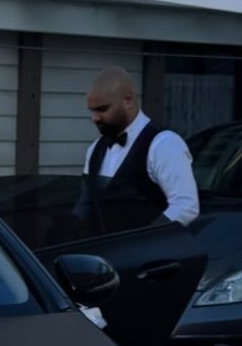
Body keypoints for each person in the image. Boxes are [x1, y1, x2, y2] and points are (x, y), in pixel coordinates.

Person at [82, 66, 199, 232]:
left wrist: (145, 237)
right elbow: (86, 201)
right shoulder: (95, 148)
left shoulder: (163, 144)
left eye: (103, 109)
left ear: (128, 101)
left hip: (147, 247)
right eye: (92, 110)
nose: (94, 118)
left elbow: (186, 206)